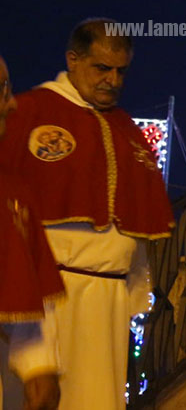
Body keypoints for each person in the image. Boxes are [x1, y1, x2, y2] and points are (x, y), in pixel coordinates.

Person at [0, 20, 173, 410]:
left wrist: (136, 291)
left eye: (121, 71)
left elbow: (136, 223)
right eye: (102, 68)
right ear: (72, 59)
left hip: (109, 302)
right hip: (47, 302)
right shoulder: (28, 111)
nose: (113, 80)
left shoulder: (126, 128)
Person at [0, 56, 63, 410]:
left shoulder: (13, 188)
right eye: (1, 90)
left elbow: (18, 288)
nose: (11, 103)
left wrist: (39, 364)